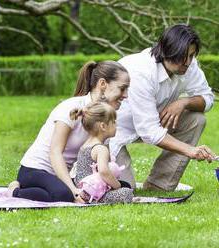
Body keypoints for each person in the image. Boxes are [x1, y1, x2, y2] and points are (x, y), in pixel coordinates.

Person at [109, 24, 215, 191]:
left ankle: (159, 185)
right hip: (111, 131)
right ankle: (79, 169)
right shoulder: (141, 72)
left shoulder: (189, 65)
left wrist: (183, 102)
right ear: (167, 50)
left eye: (192, 55)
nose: (187, 62)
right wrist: (191, 151)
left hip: (151, 121)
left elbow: (208, 98)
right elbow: (149, 132)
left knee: (196, 119)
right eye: (183, 56)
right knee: (125, 190)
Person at [7, 60, 130, 203]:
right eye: (122, 88)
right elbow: (55, 152)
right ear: (103, 84)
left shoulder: (105, 117)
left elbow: (99, 162)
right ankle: (15, 191)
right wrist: (74, 190)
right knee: (63, 195)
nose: (126, 95)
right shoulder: (71, 107)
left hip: (60, 174)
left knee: (125, 186)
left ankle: (65, 188)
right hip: (35, 171)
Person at [70, 102, 133, 204]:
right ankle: (94, 200)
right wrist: (117, 186)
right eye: (113, 122)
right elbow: (104, 172)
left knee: (125, 185)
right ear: (103, 126)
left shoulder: (85, 144)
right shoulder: (100, 149)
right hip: (93, 192)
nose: (116, 125)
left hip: (82, 188)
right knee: (126, 191)